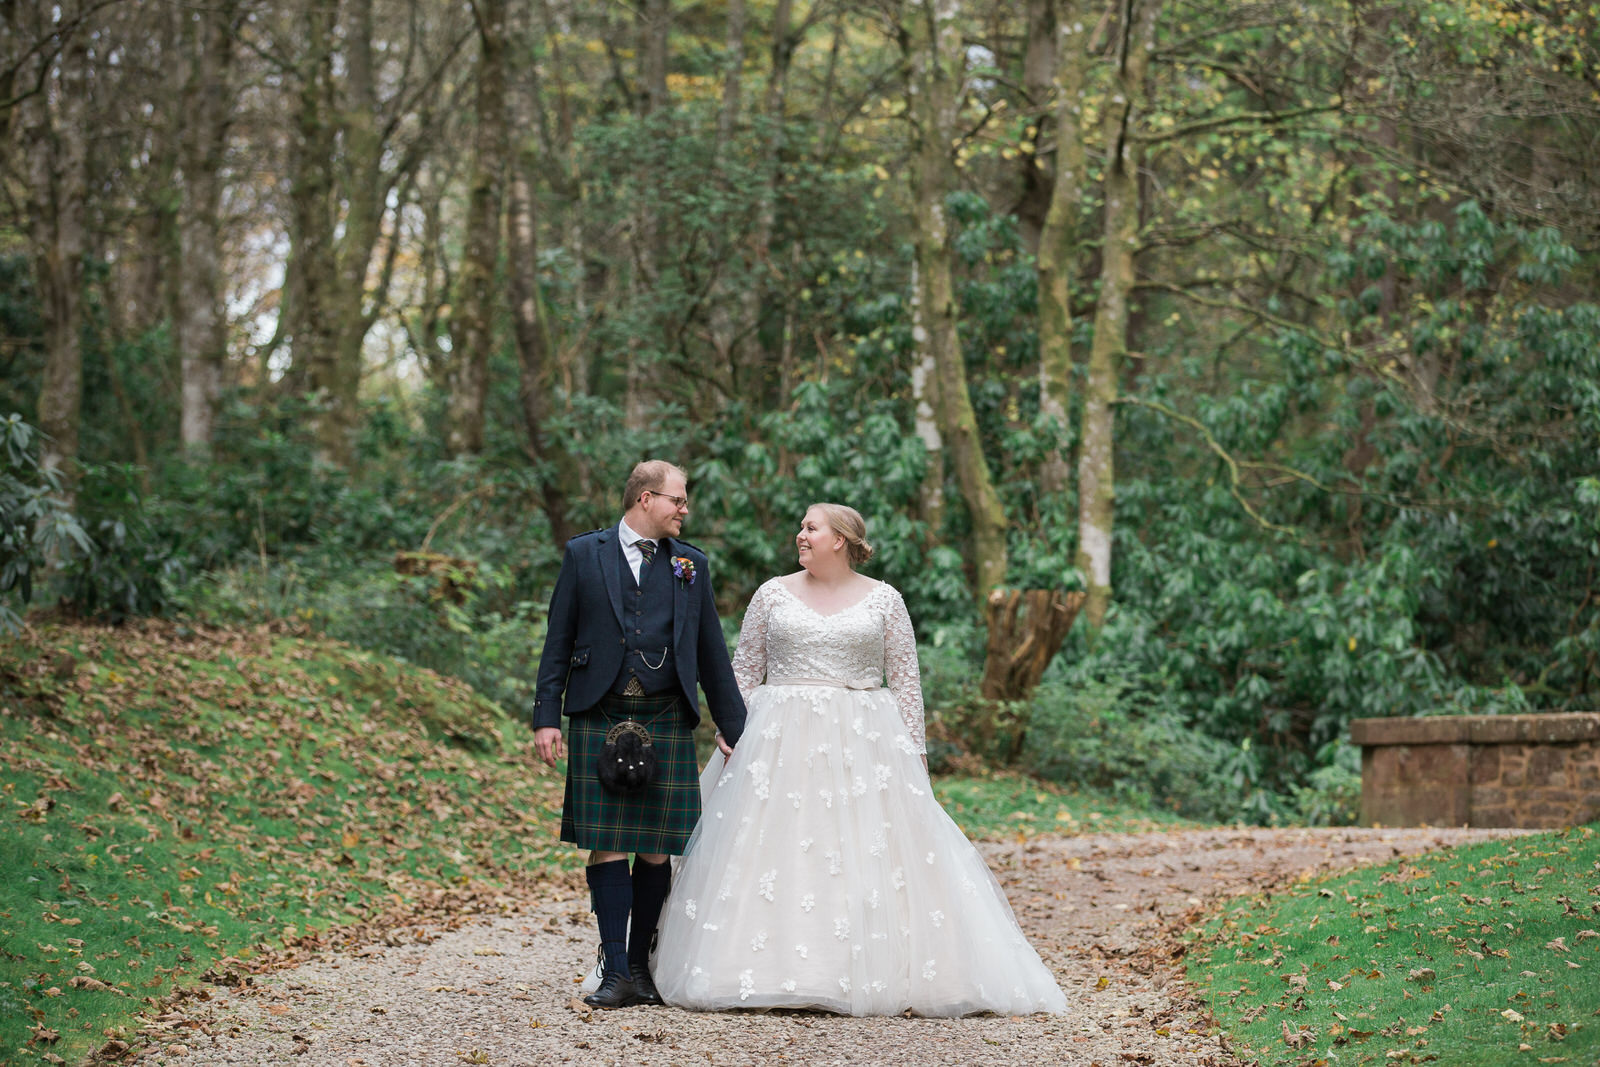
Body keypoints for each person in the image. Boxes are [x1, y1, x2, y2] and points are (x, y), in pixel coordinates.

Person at [653, 503, 1067, 1016]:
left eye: (810, 527)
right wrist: (728, 725)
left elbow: (907, 683)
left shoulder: (885, 600)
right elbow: (743, 669)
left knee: (863, 850)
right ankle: (760, 968)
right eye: (801, 526)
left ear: (841, 540)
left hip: (863, 739)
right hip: (775, 739)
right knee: (775, 848)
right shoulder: (771, 594)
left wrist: (914, 756)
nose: (799, 535)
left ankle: (859, 970)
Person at [531, 460, 747, 1010]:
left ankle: (641, 968)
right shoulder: (585, 554)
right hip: (598, 710)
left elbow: (710, 649)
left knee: (656, 846)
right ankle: (615, 971)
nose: (684, 509)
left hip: (665, 714)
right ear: (646, 498)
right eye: (677, 499)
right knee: (606, 842)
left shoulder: (689, 564)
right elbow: (558, 637)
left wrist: (733, 723)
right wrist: (546, 716)